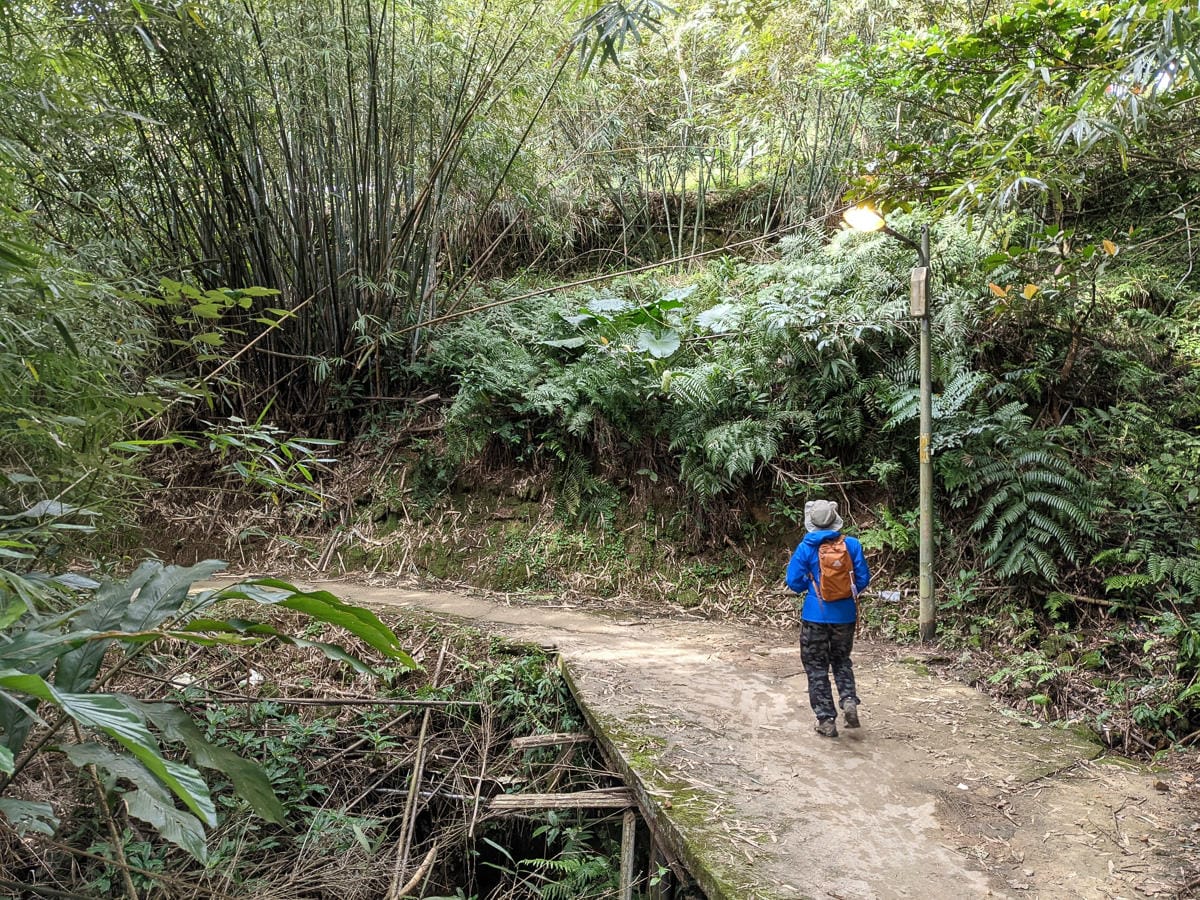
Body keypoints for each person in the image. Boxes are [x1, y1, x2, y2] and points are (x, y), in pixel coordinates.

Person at [785, 499, 871, 738]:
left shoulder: (805, 548)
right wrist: (844, 595)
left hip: (815, 615)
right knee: (841, 660)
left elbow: (793, 582)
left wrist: (811, 588)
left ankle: (826, 720)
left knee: (816, 668)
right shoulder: (852, 545)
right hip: (845, 616)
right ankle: (849, 699)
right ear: (835, 520)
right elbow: (863, 579)